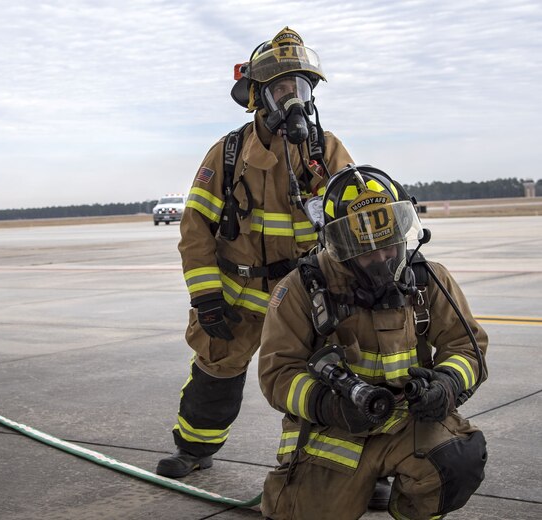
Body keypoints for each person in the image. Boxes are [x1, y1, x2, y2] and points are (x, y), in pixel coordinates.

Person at [156, 27, 354, 478]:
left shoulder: (325, 150)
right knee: (217, 368)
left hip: (305, 296)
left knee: (324, 377)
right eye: (283, 87)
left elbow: (353, 219)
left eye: (302, 87)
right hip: (236, 295)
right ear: (259, 96)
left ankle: (337, 471)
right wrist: (206, 298)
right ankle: (193, 449)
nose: (294, 97)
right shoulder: (227, 154)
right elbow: (195, 230)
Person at [257, 164, 488, 519]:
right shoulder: (301, 290)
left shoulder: (429, 280)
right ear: (340, 248)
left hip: (407, 420)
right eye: (367, 251)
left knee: (455, 463)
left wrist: (446, 384)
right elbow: (277, 374)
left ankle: (407, 507)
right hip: (333, 430)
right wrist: (328, 405)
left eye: (390, 246)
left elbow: (467, 348)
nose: (382, 259)